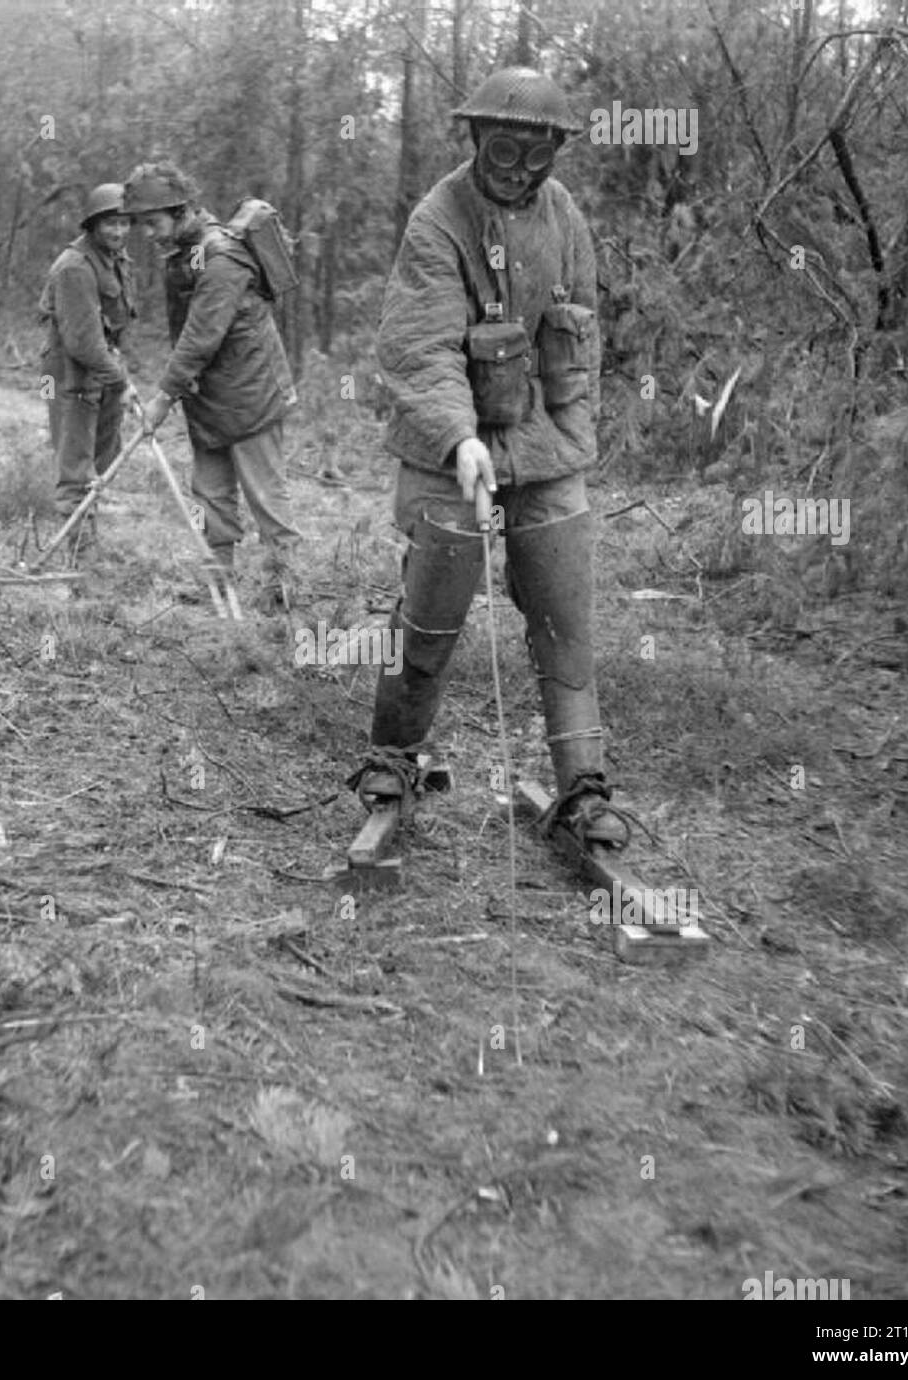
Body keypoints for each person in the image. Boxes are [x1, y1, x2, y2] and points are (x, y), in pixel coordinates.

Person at [354, 67, 627, 848]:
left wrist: (570, 444)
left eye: (539, 154)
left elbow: (581, 330)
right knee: (430, 613)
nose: (521, 169)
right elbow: (419, 345)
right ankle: (394, 760)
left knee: (563, 619)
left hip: (546, 450)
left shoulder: (564, 214)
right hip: (448, 453)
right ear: (476, 138)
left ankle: (582, 790)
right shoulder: (437, 219)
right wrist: (460, 435)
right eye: (505, 149)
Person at [123, 161, 300, 612]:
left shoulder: (220, 255)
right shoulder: (183, 252)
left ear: (179, 210)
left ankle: (283, 592)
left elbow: (201, 335)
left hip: (252, 393)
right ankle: (219, 582)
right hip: (210, 398)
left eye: (152, 222)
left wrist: (162, 398)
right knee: (210, 494)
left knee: (266, 498)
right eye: (141, 225)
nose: (146, 233)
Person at [38, 183, 138, 544]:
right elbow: (82, 341)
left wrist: (121, 375)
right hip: (71, 374)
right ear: (93, 225)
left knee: (103, 458)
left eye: (125, 223)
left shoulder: (119, 262)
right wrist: (122, 382)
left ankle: (88, 538)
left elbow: (117, 326)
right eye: (110, 223)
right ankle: (79, 557)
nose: (118, 231)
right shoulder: (74, 268)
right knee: (76, 466)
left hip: (104, 369)